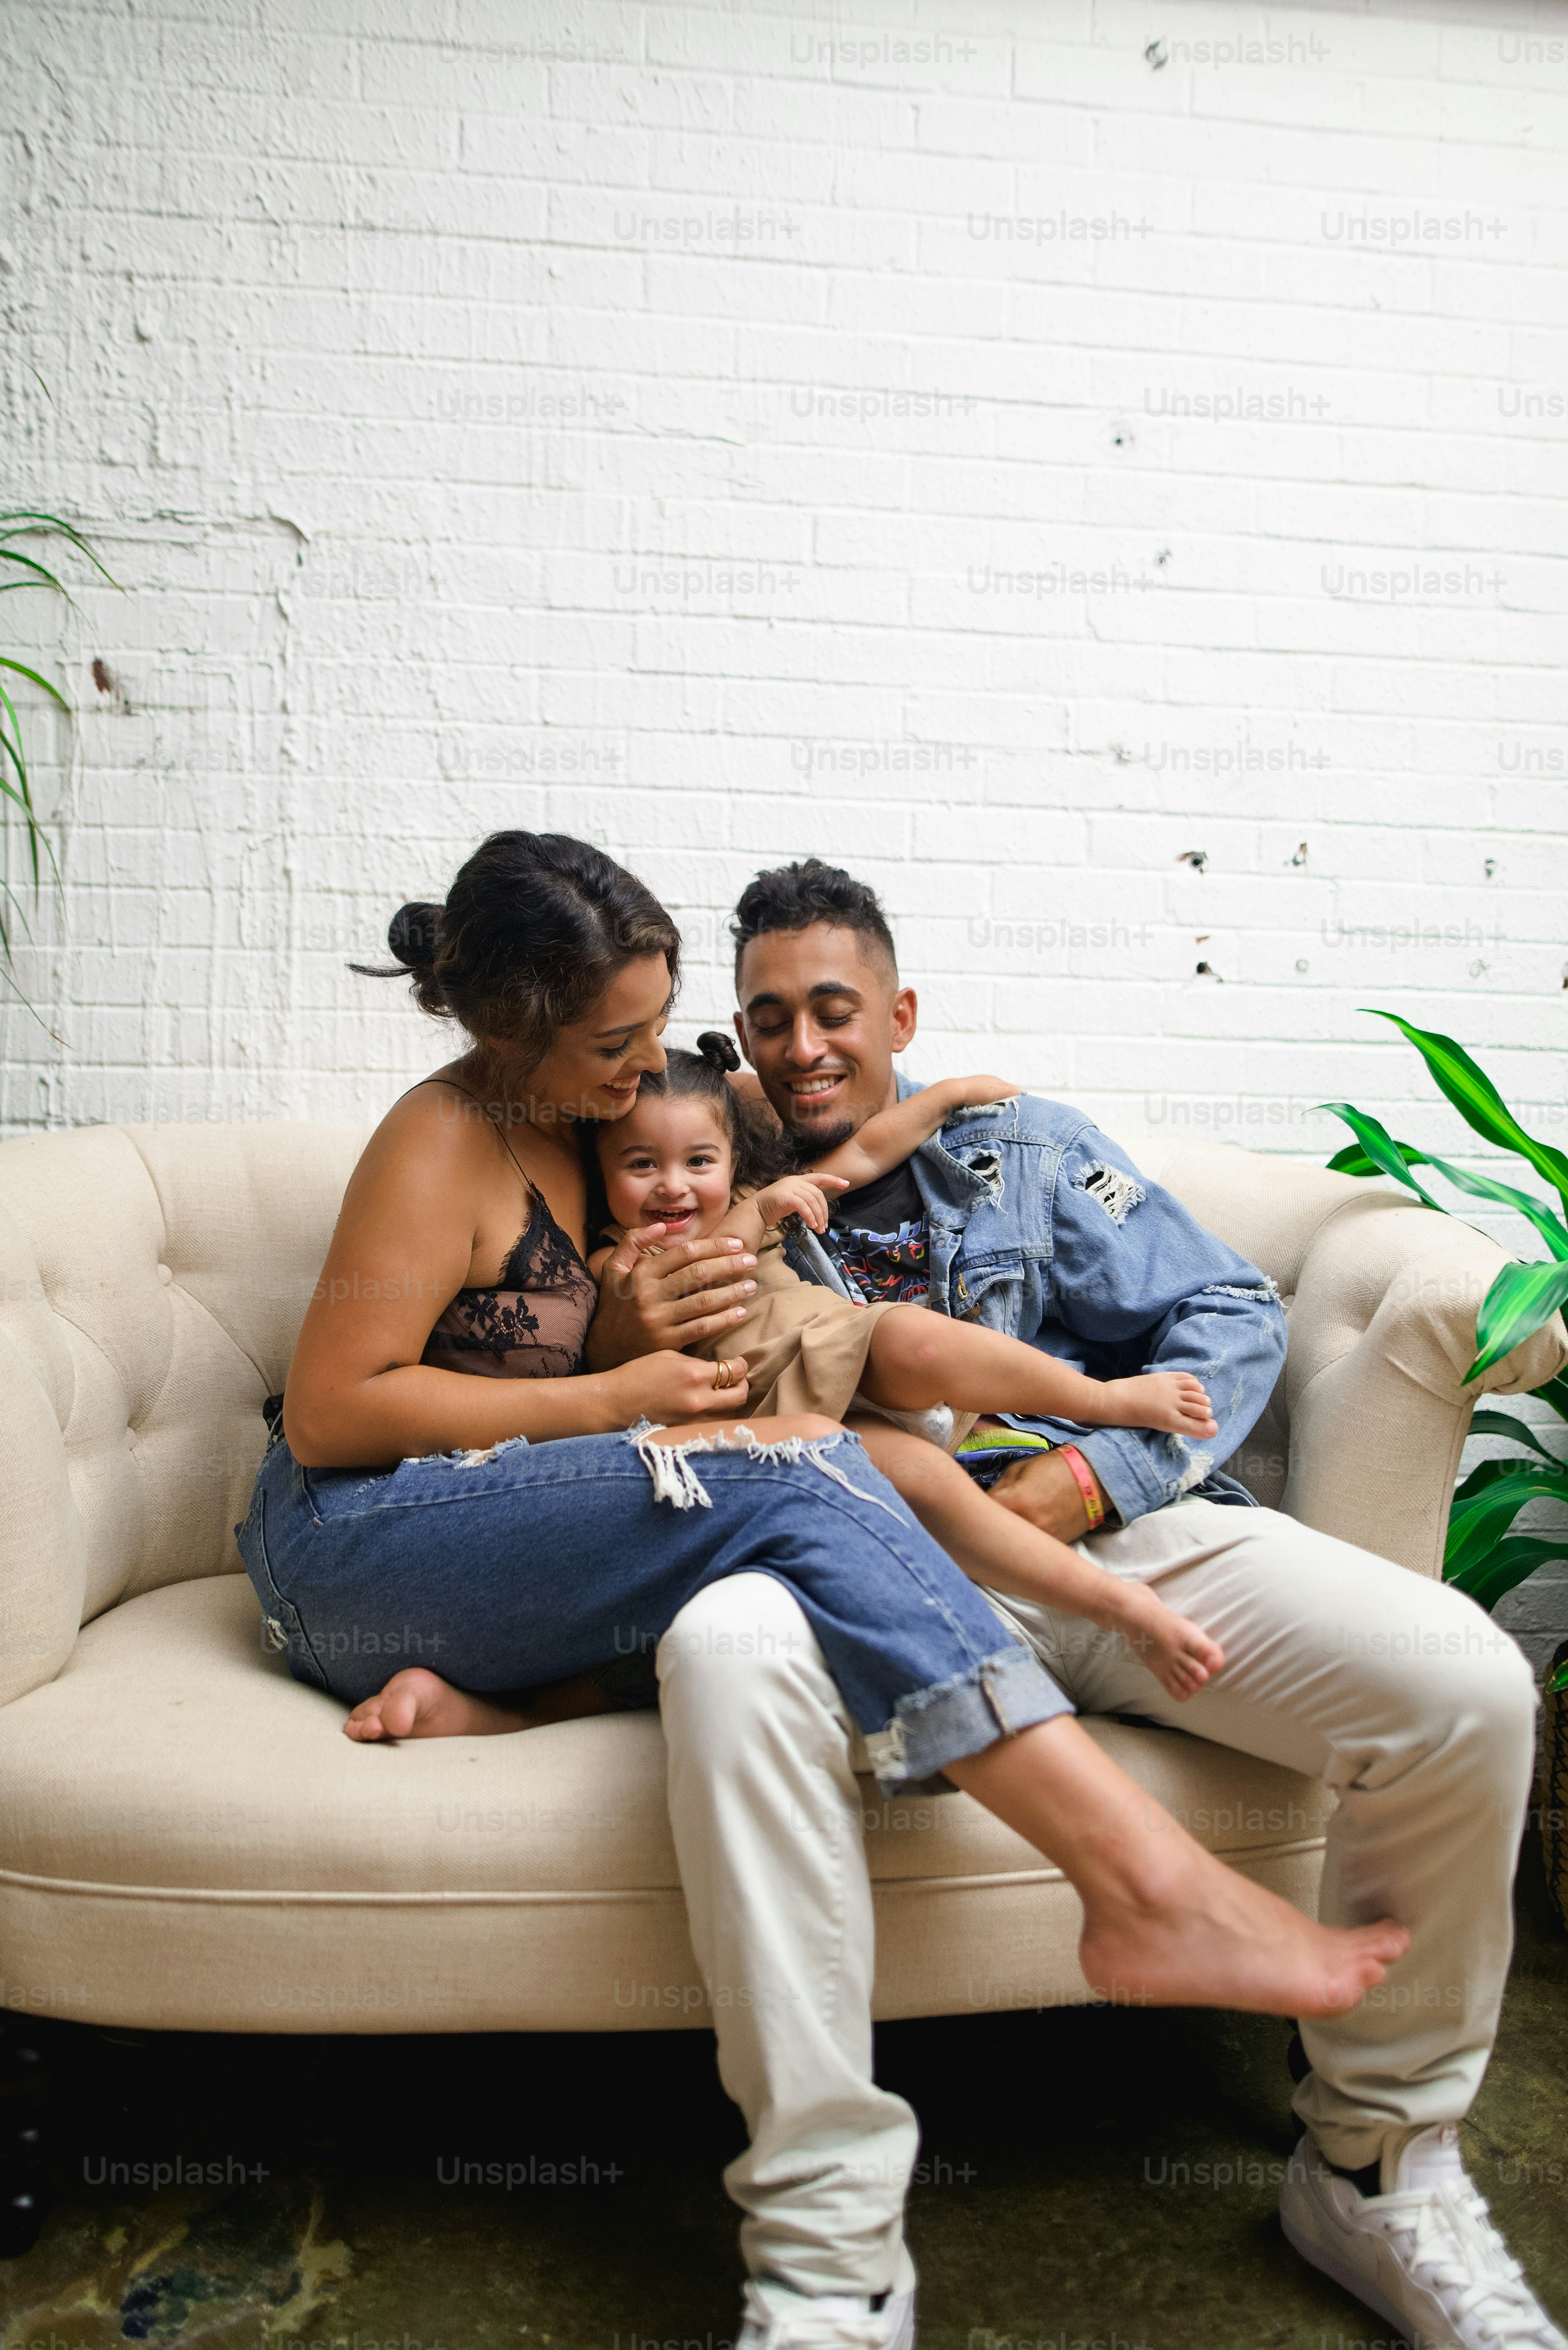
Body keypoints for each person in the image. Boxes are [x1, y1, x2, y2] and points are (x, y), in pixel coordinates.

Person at [249, 829, 1408, 2350]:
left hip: (509, 1545)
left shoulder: (617, 1116)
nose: (647, 1065)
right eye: (613, 1043)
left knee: (811, 1464)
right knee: (798, 1469)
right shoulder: (441, 1139)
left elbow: (826, 1157)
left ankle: (513, 1704)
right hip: (353, 1552)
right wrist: (612, 1403)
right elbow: (332, 1414)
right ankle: (1138, 1884)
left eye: (659, 1027)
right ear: (509, 1029)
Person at [594, 851, 1553, 2350]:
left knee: (1466, 1683)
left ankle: (1373, 2165)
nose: (799, 1046)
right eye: (766, 1017)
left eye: (830, 1009)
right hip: (842, 1565)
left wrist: (1092, 1479)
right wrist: (625, 1321)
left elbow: (1228, 1310)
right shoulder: (705, 1181)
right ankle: (825, 2259)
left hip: (1097, 1539)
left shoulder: (1021, 1151)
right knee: (718, 1646)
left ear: (897, 1010)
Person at [588, 1034, 1224, 1702]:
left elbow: (865, 1152)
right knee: (934, 1490)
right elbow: (641, 1322)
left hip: (844, 1345)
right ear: (600, 1173)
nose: (673, 1185)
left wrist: (946, 1097)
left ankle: (1104, 1401)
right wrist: (759, 1208)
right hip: (783, 1420)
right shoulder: (618, 1261)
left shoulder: (754, 1195)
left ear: (730, 1159)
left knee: (920, 1340)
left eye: (698, 1160)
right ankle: (1117, 1605)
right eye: (640, 1165)